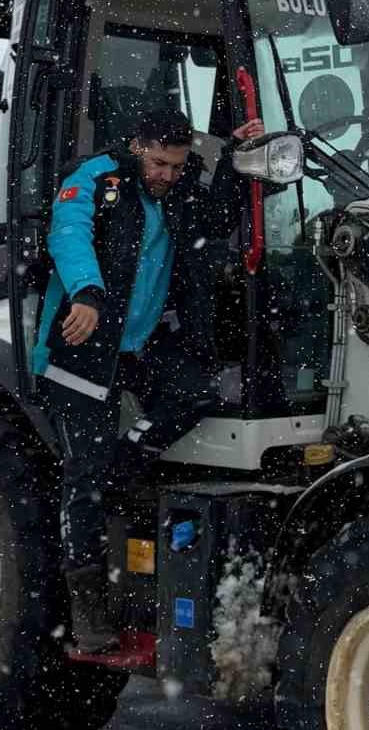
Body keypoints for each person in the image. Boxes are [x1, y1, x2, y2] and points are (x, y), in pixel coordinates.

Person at [32, 106, 264, 653]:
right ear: (137, 147)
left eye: (177, 166)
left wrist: (234, 159)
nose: (166, 174)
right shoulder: (95, 179)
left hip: (138, 344)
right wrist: (87, 292)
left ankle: (123, 469)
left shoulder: (177, 192)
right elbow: (69, 235)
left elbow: (215, 221)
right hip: (83, 346)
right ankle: (88, 606)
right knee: (82, 478)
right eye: (159, 163)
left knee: (195, 393)